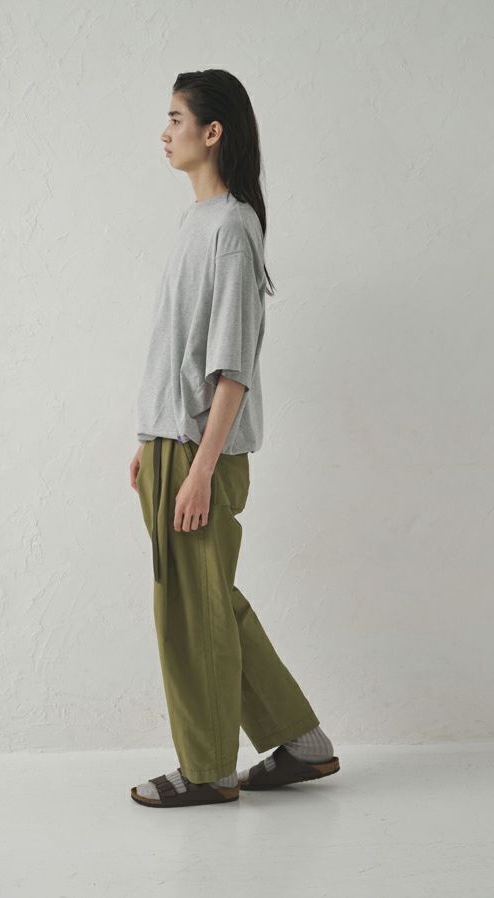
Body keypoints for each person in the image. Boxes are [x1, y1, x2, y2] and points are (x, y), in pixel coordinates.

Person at [128, 69, 340, 808]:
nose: (165, 132)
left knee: (192, 613)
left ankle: (208, 769)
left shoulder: (231, 228)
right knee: (207, 599)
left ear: (212, 132)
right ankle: (302, 742)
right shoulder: (197, 222)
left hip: (200, 453)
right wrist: (152, 438)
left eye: (175, 118)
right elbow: (179, 352)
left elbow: (232, 369)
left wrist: (198, 470)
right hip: (174, 443)